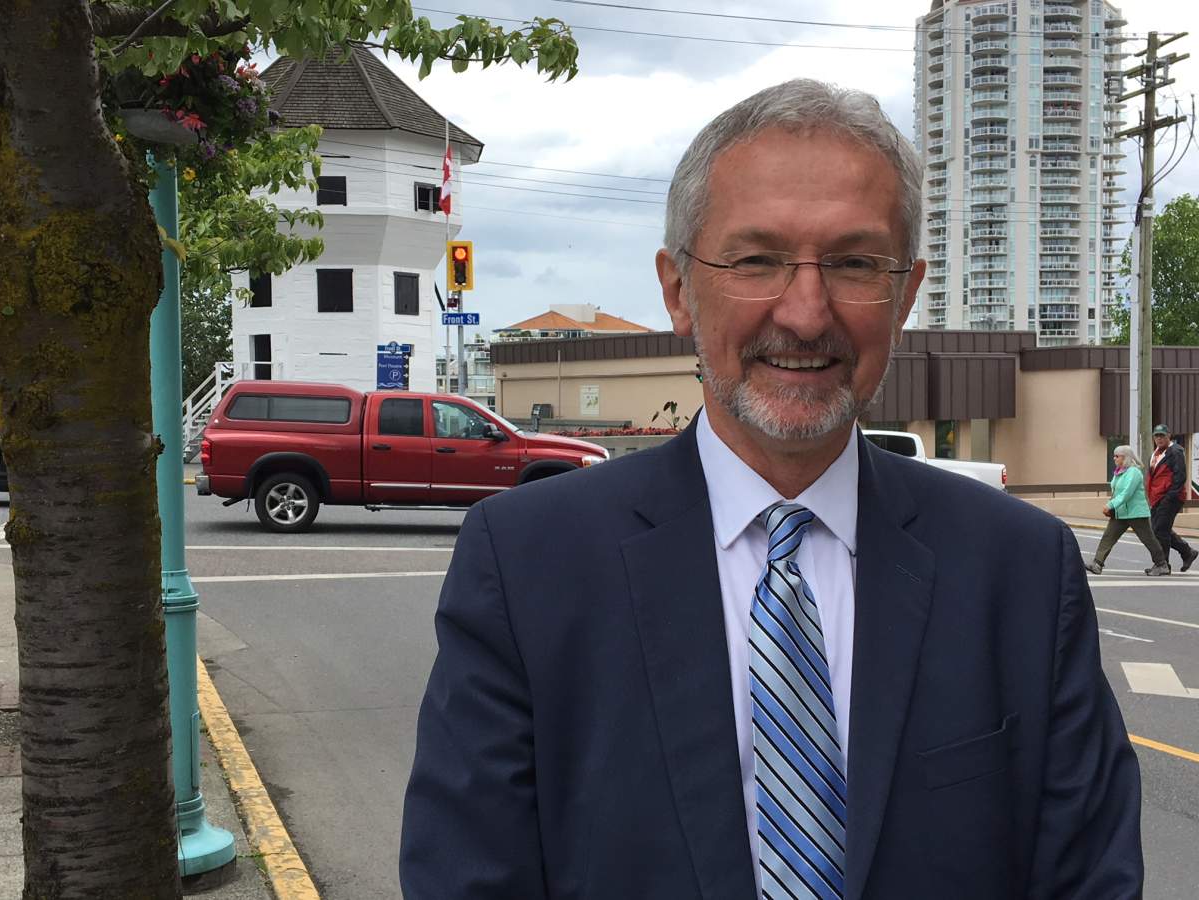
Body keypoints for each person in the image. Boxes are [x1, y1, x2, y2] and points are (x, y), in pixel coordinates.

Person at [400, 80, 1142, 899]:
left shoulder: (1022, 572)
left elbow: (1087, 877)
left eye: (856, 263)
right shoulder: (527, 565)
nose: (805, 311)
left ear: (905, 296)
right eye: (757, 260)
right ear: (678, 290)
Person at [1085, 445, 1169, 576]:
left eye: (1117, 456)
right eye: (1114, 456)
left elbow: (1126, 493)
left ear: (1125, 457)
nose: (1114, 458)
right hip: (1121, 512)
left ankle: (1161, 564)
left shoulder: (1134, 472)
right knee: (1108, 537)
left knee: (1148, 539)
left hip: (1136, 513)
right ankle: (1097, 563)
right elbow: (1116, 492)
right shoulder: (1119, 472)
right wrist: (1112, 506)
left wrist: (1110, 505)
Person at [1146, 423, 1198, 573]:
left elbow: (1180, 476)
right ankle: (1188, 552)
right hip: (1156, 497)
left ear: (1169, 436)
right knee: (1161, 529)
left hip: (1170, 497)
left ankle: (1163, 565)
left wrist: (1169, 497)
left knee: (1159, 530)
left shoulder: (1175, 451)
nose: (1159, 438)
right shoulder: (1155, 453)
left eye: (1162, 435)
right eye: (1156, 435)